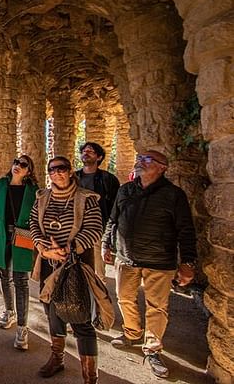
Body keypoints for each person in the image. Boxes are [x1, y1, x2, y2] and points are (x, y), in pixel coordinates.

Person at [102, 150, 197, 379]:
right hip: (126, 258)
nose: (140, 162)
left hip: (159, 261)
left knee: (157, 307)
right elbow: (113, 219)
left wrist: (187, 262)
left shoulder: (174, 195)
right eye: (140, 158)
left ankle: (152, 349)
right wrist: (106, 243)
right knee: (124, 297)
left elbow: (186, 230)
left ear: (162, 168)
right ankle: (132, 333)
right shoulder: (126, 190)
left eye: (147, 160)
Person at [30, 156, 103, 384]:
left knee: (81, 318)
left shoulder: (86, 199)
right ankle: (57, 358)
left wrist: (70, 248)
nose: (57, 173)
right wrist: (44, 248)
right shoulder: (42, 198)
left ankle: (90, 376)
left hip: (76, 268)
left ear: (71, 171)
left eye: (62, 168)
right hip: (49, 267)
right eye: (52, 169)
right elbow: (33, 224)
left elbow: (94, 229)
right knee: (53, 313)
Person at [0, 155, 39, 350]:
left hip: (23, 237)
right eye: (16, 162)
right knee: (4, 275)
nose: (17, 166)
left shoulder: (34, 191)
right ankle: (9, 311)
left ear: (29, 171)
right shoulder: (0, 185)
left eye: (23, 165)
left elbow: (39, 217)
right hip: (0, 235)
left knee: (21, 280)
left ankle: (22, 328)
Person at [76, 142, 120, 283]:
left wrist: (109, 235)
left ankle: (98, 300)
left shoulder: (108, 179)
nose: (86, 153)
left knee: (98, 271)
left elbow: (114, 207)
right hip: (76, 228)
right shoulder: (74, 178)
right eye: (84, 151)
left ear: (99, 157)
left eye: (91, 151)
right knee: (77, 268)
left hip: (97, 228)